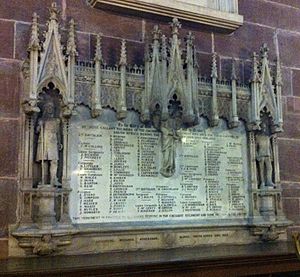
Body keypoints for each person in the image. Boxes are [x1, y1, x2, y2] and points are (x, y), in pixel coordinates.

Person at [36, 101, 62, 186]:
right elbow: (36, 131)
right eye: (48, 107)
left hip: (53, 141)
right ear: (45, 109)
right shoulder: (41, 120)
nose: (50, 109)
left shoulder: (56, 120)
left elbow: (58, 133)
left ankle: (53, 179)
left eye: (51, 107)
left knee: (54, 161)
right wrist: (39, 125)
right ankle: (43, 180)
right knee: (44, 162)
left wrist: (59, 142)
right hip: (44, 141)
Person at [256, 122, 274, 188]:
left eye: (265, 127)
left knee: (269, 168)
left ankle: (269, 181)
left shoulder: (267, 137)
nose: (264, 129)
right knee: (261, 169)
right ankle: (262, 182)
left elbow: (270, 147)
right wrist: (257, 155)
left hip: (268, 154)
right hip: (261, 154)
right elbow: (254, 147)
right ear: (260, 128)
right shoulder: (257, 137)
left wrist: (271, 155)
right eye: (262, 127)